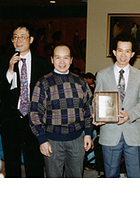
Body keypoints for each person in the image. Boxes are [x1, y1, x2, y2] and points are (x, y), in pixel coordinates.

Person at [29, 44, 93, 178]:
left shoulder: (80, 82)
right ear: (52, 60)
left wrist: (88, 133)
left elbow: (88, 109)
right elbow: (34, 113)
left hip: (77, 140)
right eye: (58, 58)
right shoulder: (43, 83)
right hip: (52, 141)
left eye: (66, 58)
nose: (62, 62)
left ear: (71, 60)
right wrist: (42, 140)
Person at [0, 22, 51, 178]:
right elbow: (1, 91)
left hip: (33, 119)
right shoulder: (4, 60)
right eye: (15, 37)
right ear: (12, 41)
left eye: (22, 37)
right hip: (10, 119)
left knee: (34, 163)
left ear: (31, 39)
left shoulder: (42, 63)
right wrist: (10, 71)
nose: (19, 40)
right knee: (12, 163)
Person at [93, 33, 140, 178]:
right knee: (110, 175)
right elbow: (96, 100)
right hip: (109, 133)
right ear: (114, 52)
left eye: (127, 51)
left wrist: (129, 114)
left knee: (135, 175)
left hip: (133, 132)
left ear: (132, 54)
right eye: (120, 50)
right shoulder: (102, 75)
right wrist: (96, 114)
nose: (123, 55)